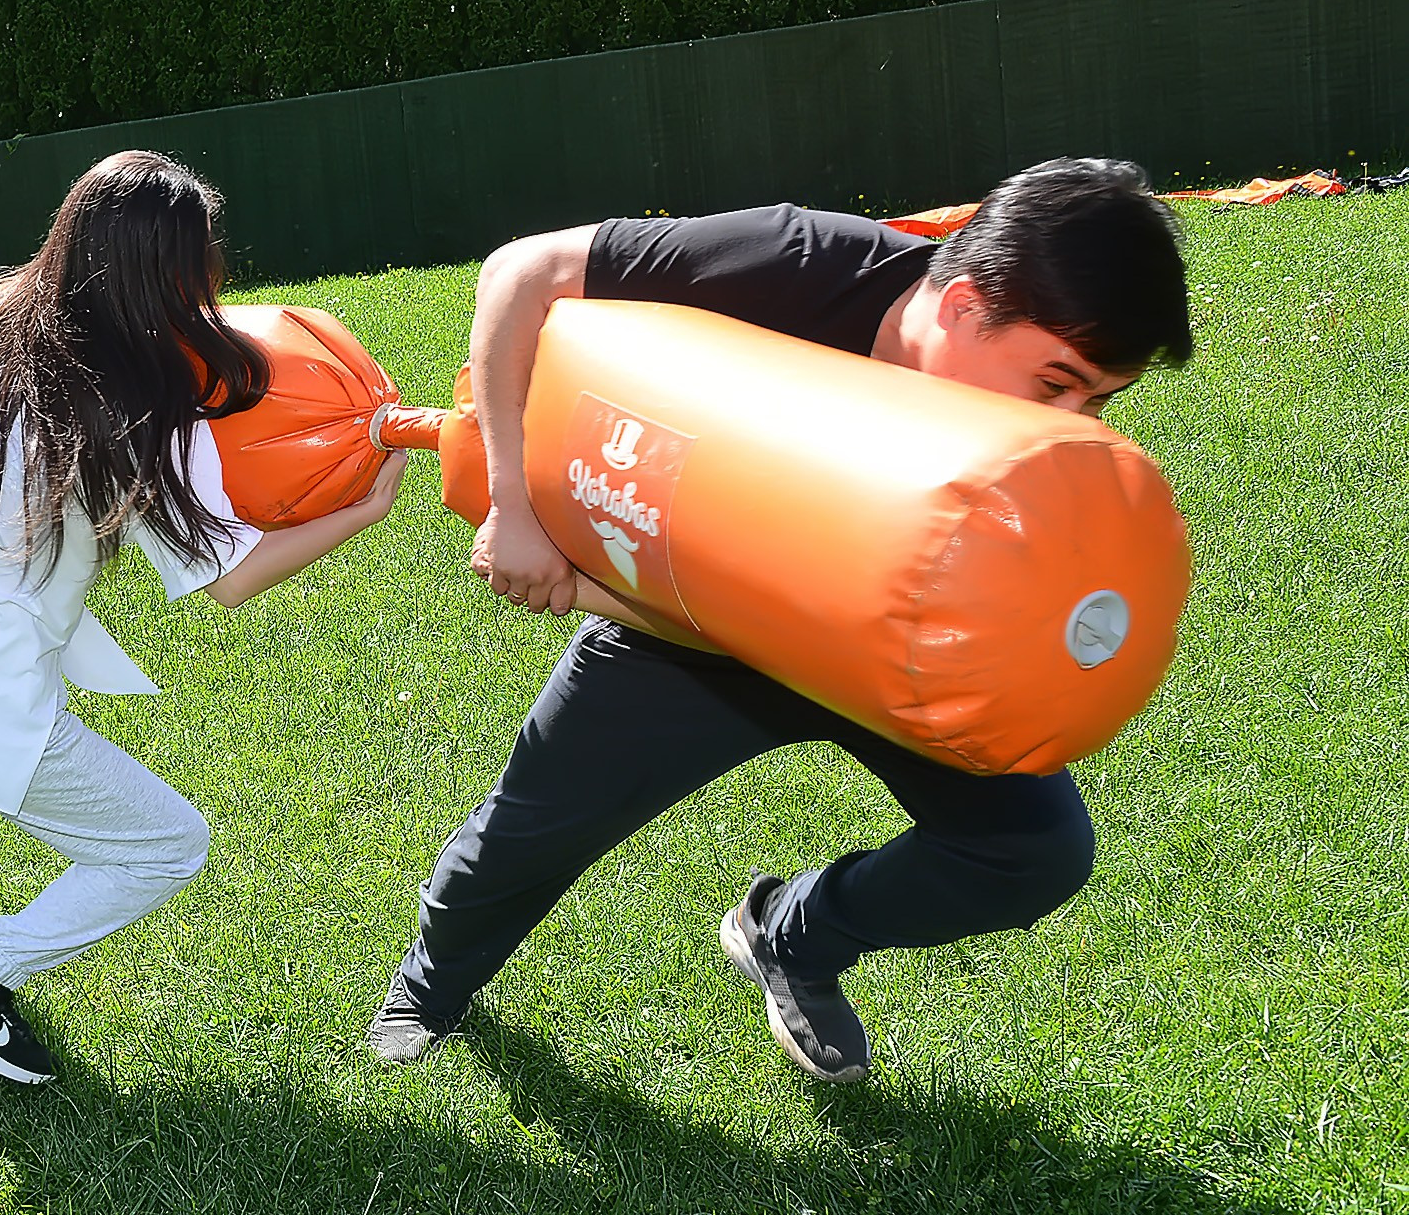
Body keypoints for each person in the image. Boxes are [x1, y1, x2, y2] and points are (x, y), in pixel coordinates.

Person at [366, 158, 1197, 1082]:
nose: (1075, 421)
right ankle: (429, 987)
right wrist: (516, 506)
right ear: (964, 306)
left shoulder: (1019, 452)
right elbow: (522, 268)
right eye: (1055, 384)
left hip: (895, 654)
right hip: (691, 641)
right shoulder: (801, 261)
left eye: (1098, 401)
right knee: (529, 831)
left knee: (1033, 851)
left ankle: (792, 935)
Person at [0, 151, 410, 1084]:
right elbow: (228, 579)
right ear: (161, 274)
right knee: (166, 845)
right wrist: (364, 508)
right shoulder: (131, 405)